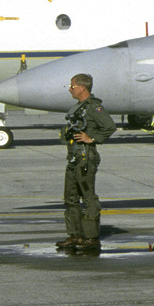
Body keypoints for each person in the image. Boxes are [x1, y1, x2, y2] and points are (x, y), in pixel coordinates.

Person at [57, 73, 117, 253]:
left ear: (82, 88)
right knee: (70, 197)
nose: (70, 90)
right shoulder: (79, 107)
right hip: (74, 157)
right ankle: (75, 235)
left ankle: (91, 237)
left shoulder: (94, 107)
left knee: (88, 196)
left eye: (72, 86)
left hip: (85, 157)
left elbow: (109, 127)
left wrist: (92, 138)